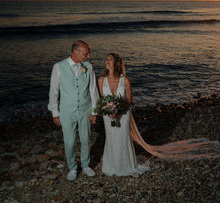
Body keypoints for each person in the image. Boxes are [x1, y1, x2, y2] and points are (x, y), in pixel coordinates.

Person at [48, 40, 99, 181]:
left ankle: (86, 165)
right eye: (86, 53)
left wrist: (94, 112)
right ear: (75, 52)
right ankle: (72, 168)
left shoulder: (89, 67)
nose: (88, 56)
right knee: (69, 142)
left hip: (85, 110)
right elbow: (54, 92)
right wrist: (55, 113)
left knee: (85, 139)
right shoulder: (58, 67)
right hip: (67, 112)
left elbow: (93, 90)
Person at [98, 53, 149, 176]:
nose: (107, 61)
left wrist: (118, 110)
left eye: (110, 59)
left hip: (123, 114)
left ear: (116, 63)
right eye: (106, 59)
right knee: (111, 137)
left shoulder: (125, 80)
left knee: (123, 137)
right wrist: (108, 111)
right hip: (108, 116)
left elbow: (129, 100)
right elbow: (102, 99)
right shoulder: (101, 80)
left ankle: (127, 165)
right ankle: (112, 166)